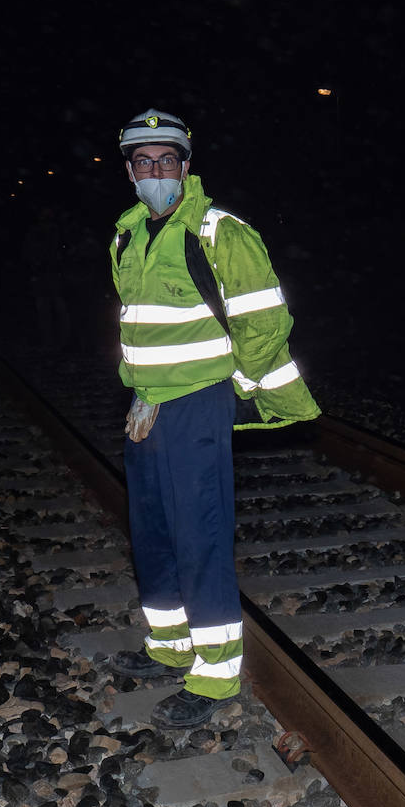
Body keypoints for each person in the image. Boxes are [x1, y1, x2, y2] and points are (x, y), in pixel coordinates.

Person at [108, 108, 320, 728]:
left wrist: (239, 388)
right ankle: (170, 645)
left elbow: (265, 320)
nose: (155, 171)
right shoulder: (126, 232)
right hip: (146, 404)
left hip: (199, 401)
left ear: (186, 165)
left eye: (166, 160)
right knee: (152, 531)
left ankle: (216, 672)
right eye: (143, 162)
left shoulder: (219, 231)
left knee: (198, 534)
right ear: (129, 171)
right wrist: (142, 388)